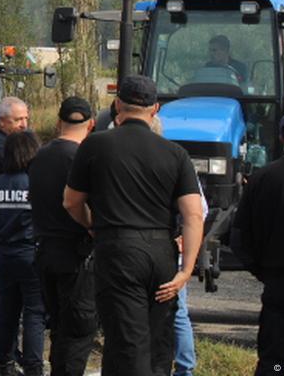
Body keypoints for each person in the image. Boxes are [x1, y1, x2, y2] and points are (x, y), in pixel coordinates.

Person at [63, 74, 204, 376]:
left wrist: (92, 225)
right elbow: (193, 215)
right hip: (162, 252)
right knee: (158, 339)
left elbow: (71, 202)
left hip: (118, 249)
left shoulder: (95, 145)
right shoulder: (176, 154)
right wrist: (186, 270)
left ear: (117, 105)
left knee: (127, 342)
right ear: (155, 109)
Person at [233, 108, 284, 372]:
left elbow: (240, 237)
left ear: (282, 138)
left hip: (277, 286)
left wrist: (263, 271)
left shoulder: (260, 178)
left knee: (273, 364)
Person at [28, 97, 96, 376]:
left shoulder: (39, 155)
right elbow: (81, 203)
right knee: (79, 328)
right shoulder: (84, 158)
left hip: (45, 247)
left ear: (58, 122)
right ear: (91, 124)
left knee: (57, 325)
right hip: (76, 251)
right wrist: (92, 226)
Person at [0, 130, 44, 376]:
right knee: (34, 312)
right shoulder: (34, 184)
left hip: (4, 255)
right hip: (29, 254)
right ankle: (33, 366)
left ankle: (4, 361)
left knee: (6, 311)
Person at [0, 97, 30, 183]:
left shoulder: (17, 141)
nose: (24, 125)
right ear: (1, 121)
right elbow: (18, 174)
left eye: (26, 119)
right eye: (18, 120)